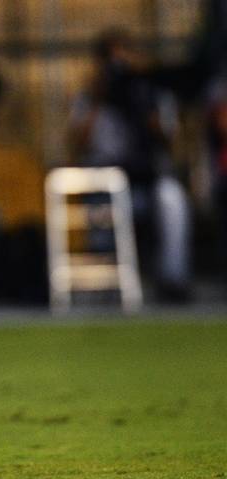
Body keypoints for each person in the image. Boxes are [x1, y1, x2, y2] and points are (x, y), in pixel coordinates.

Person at [68, 28, 193, 302]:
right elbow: (77, 143)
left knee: (171, 199)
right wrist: (100, 98)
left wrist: (141, 104)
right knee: (102, 204)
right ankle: (105, 285)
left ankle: (173, 279)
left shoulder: (149, 92)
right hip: (105, 179)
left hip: (146, 177)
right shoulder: (89, 96)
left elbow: (169, 138)